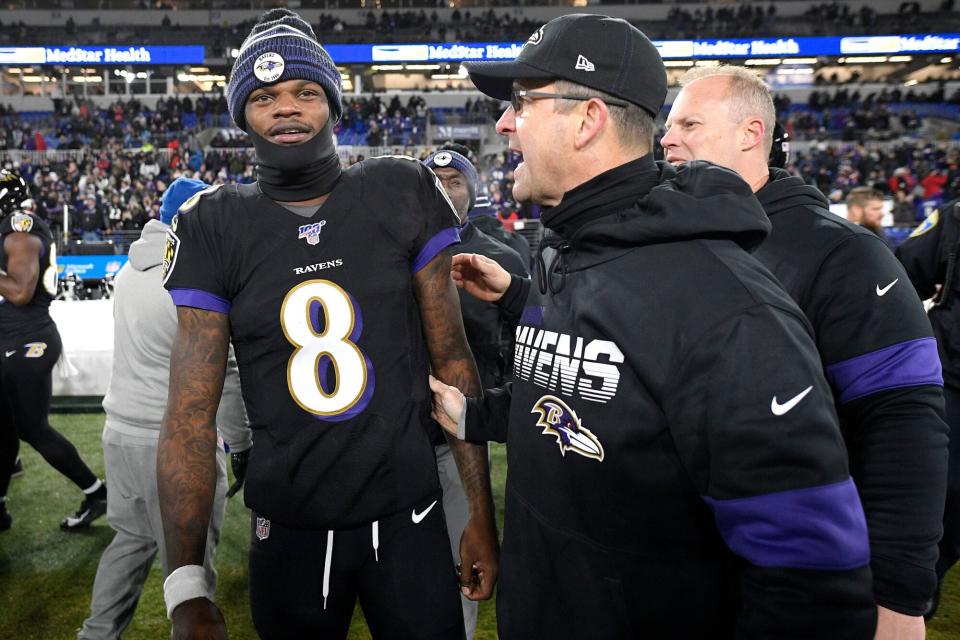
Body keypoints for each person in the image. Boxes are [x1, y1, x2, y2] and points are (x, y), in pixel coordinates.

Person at [431, 14, 876, 639]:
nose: (504, 123)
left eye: (522, 103)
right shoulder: (564, 252)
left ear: (588, 119)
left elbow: (810, 574)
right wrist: (480, 410)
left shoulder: (728, 307)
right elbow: (576, 397)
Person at [158, 10, 497, 640]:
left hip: (410, 513)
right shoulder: (214, 224)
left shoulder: (401, 187)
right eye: (264, 97)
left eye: (305, 92)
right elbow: (188, 416)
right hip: (289, 524)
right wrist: (185, 585)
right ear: (242, 115)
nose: (286, 109)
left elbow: (451, 360)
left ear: (332, 104)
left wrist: (478, 512)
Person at [660, 64, 948, 637]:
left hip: (798, 574)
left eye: (688, 123)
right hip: (693, 567)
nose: (667, 139)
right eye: (669, 126)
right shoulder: (683, 239)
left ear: (751, 133)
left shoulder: (841, 253)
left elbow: (904, 425)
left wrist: (898, 597)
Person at [77, 178, 252, 640]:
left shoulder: (130, 270)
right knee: (190, 573)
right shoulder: (189, 276)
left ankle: (96, 634)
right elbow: (225, 371)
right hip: (173, 440)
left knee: (130, 542)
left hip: (121, 430)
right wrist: (243, 443)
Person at [423, 145, 528, 640]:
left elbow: (514, 346)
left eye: (455, 179)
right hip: (400, 433)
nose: (445, 186)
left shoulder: (501, 257)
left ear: (473, 188)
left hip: (463, 433)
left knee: (462, 549)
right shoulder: (390, 254)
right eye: (436, 178)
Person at [0, 168, 108, 532]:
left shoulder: (19, 230)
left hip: (27, 340)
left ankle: (96, 492)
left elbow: (19, 291)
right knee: (7, 429)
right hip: (14, 339)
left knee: (33, 428)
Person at [897, 196, 960, 619]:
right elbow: (900, 279)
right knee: (935, 494)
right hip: (951, 383)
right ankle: (910, 594)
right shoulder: (956, 216)